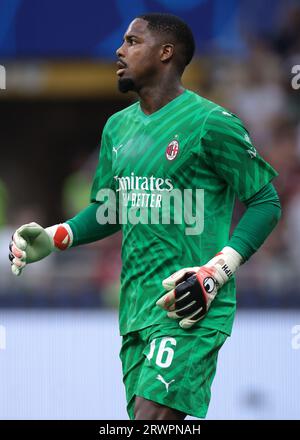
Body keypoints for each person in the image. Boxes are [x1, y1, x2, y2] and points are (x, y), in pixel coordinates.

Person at [8, 13, 281, 420]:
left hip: (191, 302)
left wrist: (218, 270)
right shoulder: (117, 128)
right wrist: (56, 236)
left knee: (153, 421)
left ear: (165, 53)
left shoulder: (211, 123)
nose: (120, 51)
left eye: (133, 41)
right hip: (136, 309)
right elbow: (110, 210)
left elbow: (266, 201)